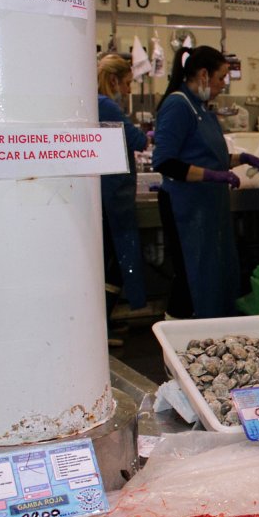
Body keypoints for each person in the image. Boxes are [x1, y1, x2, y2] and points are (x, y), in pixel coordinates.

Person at [152, 46, 259, 318]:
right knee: (190, 278)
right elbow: (165, 162)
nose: (224, 84)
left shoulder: (200, 108)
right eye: (221, 77)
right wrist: (213, 176)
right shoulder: (178, 105)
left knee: (211, 274)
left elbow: (206, 155)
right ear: (203, 75)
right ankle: (176, 334)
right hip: (185, 208)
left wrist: (241, 158)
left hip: (207, 208)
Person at [97, 54, 149, 324]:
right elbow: (137, 140)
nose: (128, 90)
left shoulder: (94, 103)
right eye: (127, 83)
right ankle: (102, 324)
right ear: (113, 80)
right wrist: (148, 135)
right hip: (113, 197)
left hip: (107, 194)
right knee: (116, 261)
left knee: (110, 261)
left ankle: (103, 324)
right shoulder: (106, 105)